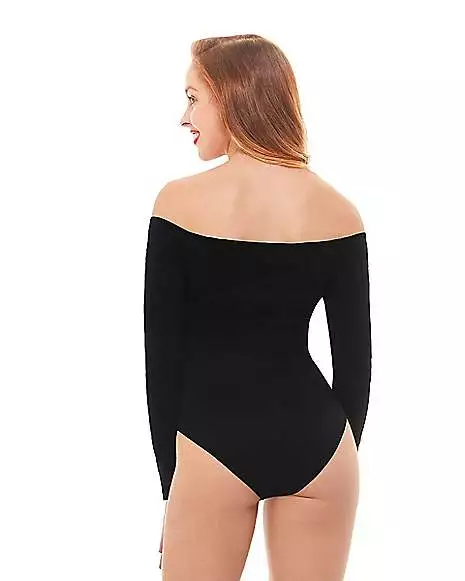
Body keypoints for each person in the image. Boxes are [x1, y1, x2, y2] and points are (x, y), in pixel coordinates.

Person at [144, 34, 372, 581]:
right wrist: (339, 457)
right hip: (320, 443)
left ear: (230, 95)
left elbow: (162, 359)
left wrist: (173, 486)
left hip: (211, 442)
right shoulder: (340, 211)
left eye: (193, 98)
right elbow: (355, 366)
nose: (184, 117)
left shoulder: (177, 203)